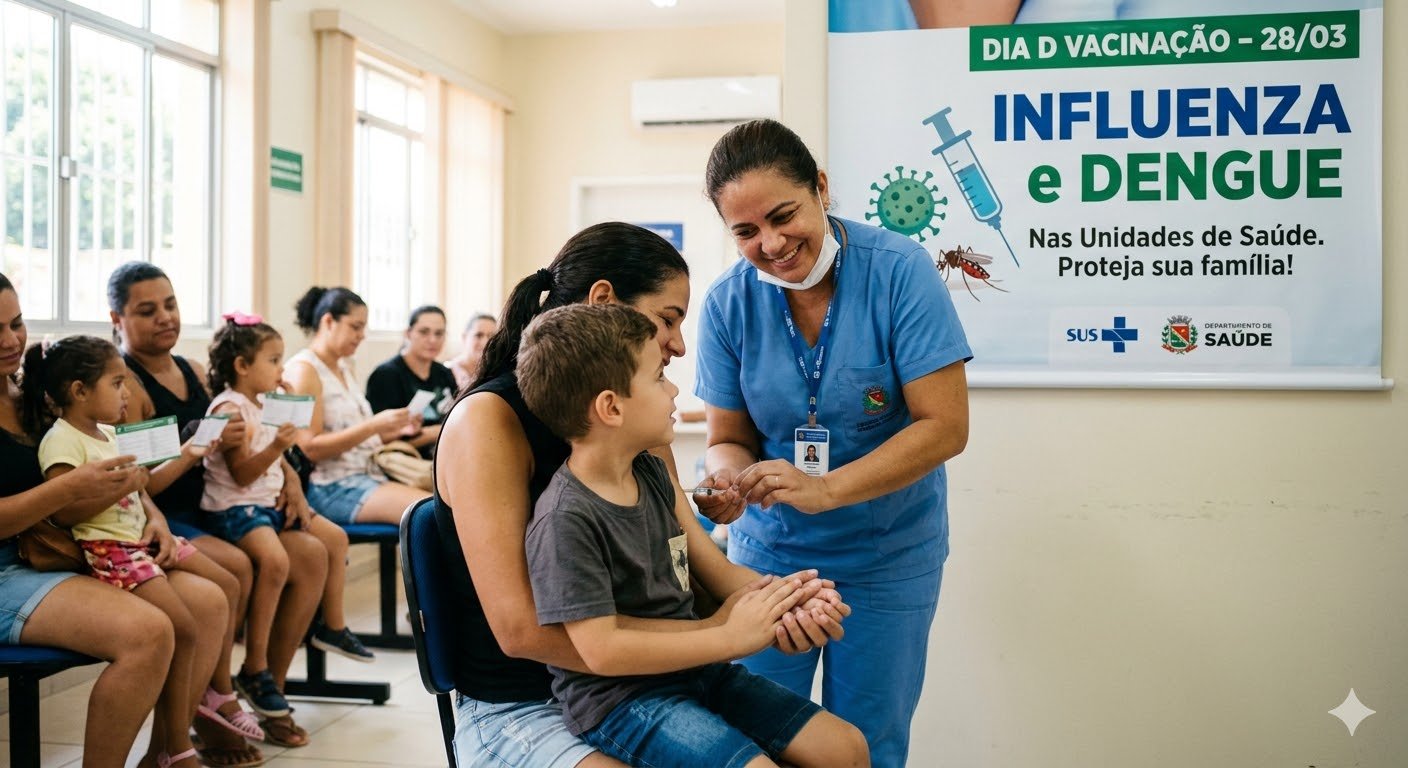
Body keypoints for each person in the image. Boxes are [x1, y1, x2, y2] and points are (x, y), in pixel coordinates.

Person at [434, 222, 851, 768]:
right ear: (605, 302)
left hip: (657, 674)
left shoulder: (640, 432)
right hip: (524, 701)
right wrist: (719, 635)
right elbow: (521, 633)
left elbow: (701, 571)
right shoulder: (488, 421)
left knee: (840, 750)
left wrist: (784, 609)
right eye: (667, 320)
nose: (679, 345)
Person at [694, 119, 972, 768]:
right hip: (770, 558)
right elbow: (727, 437)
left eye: (783, 214)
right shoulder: (727, 304)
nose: (771, 243)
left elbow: (945, 425)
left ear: (820, 187)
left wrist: (826, 489)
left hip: (887, 556)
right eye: (745, 232)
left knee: (867, 744)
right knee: (757, 736)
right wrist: (729, 481)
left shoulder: (900, 272)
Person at [519, 304, 869, 768]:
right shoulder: (566, 519)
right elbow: (600, 650)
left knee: (846, 748)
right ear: (611, 407)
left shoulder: (650, 471)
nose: (674, 389)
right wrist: (730, 638)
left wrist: (792, 598)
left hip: (696, 672)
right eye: (658, 378)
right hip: (622, 699)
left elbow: (715, 570)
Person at [111, 261, 326, 752]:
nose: (165, 317)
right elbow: (144, 478)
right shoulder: (126, 383)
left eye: (171, 304)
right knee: (236, 567)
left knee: (312, 554)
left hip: (219, 502)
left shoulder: (188, 369)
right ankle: (215, 706)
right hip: (173, 513)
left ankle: (268, 685)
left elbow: (244, 446)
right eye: (147, 310)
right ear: (116, 319)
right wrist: (197, 451)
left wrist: (290, 476)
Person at [22, 335, 234, 768]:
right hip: (111, 549)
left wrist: (190, 454)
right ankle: (177, 746)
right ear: (79, 391)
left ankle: (178, 740)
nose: (127, 394)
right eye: (117, 383)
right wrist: (122, 487)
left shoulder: (107, 435)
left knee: (222, 587)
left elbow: (147, 487)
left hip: (136, 540)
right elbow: (65, 511)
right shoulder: (61, 441)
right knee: (184, 630)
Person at [0, 272, 174, 768]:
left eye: (16, 323)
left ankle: (171, 749)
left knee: (205, 599)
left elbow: (116, 460)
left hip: (55, 550)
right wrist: (65, 491)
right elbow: (65, 490)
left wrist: (154, 514)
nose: (11, 341)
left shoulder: (30, 395)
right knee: (148, 632)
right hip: (8, 569)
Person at [202, 313, 361, 720]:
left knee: (333, 537)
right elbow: (241, 475)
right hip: (237, 509)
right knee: (275, 562)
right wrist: (277, 445)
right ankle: (255, 666)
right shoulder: (229, 408)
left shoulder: (259, 403)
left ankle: (331, 626)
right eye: (274, 361)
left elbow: (278, 461)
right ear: (242, 366)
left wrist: (282, 411)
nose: (281, 369)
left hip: (266, 502)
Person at [284, 286, 423, 532]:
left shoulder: (343, 368)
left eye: (364, 328)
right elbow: (308, 447)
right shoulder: (304, 370)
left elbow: (359, 437)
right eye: (355, 327)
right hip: (331, 485)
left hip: (368, 473)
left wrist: (396, 429)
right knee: (427, 513)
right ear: (329, 321)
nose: (361, 335)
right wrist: (374, 424)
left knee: (450, 501)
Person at [365, 305, 458, 459]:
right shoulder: (386, 376)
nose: (432, 340)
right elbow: (380, 440)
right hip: (407, 462)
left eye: (439, 333)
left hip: (447, 454)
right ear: (408, 334)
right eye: (424, 332)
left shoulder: (444, 373)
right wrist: (437, 431)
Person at [447, 312, 497, 392]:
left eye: (491, 336)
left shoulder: (497, 372)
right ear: (464, 337)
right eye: (478, 335)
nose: (486, 342)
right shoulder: (447, 372)